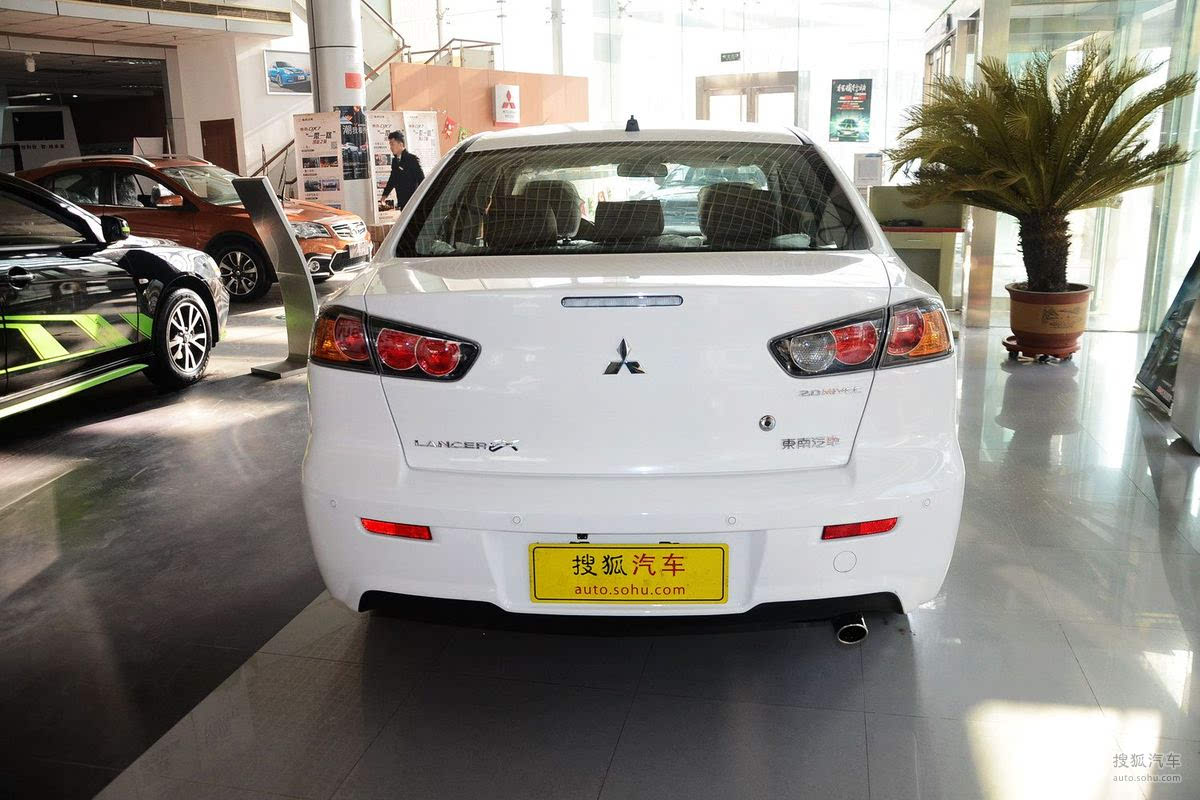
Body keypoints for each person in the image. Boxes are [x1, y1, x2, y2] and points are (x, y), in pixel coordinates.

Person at [380, 130, 424, 211]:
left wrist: (421, 198)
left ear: (400, 144)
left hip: (413, 202)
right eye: (390, 144)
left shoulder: (412, 159)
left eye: (392, 144)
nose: (391, 147)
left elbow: (421, 179)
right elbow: (393, 179)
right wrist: (385, 195)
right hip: (402, 201)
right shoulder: (395, 161)